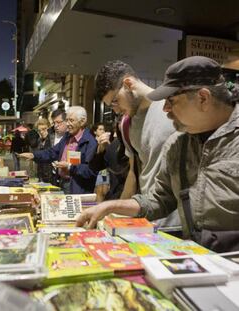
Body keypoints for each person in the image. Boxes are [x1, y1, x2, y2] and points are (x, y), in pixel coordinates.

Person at [77, 56, 239, 252]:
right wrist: (109, 207)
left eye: (171, 100)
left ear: (203, 98)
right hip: (199, 261)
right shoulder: (177, 144)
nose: (165, 109)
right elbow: (159, 199)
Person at [93, 60, 179, 230]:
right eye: (111, 105)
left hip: (178, 222)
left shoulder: (173, 107)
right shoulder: (126, 124)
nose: (115, 110)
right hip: (148, 219)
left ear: (128, 84)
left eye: (115, 101)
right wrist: (115, 213)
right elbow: (134, 173)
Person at [18, 106, 98, 194]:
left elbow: (90, 171)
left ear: (82, 121)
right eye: (67, 120)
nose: (67, 124)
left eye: (71, 120)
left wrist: (69, 166)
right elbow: (52, 152)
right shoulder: (67, 137)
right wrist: (34, 155)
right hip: (61, 182)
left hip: (76, 188)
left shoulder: (90, 142)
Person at [90, 123, 112, 202]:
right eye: (100, 129)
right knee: (98, 192)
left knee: (104, 191)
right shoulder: (92, 142)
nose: (102, 131)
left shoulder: (107, 142)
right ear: (95, 132)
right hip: (95, 172)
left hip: (104, 171)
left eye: (103, 129)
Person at [35, 118, 53, 183]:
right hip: (41, 174)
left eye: (44, 129)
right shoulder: (39, 140)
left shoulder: (52, 139)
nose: (42, 132)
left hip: (51, 175)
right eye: (39, 130)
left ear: (49, 127)